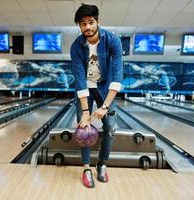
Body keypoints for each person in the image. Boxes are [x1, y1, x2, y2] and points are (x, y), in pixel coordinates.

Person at [70, 4, 123, 188]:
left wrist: (105, 107)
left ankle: (102, 163)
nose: (88, 27)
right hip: (85, 90)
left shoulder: (113, 41)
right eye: (83, 24)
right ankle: (86, 168)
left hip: (105, 89)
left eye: (91, 22)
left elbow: (117, 76)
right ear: (79, 26)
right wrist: (86, 111)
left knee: (109, 127)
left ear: (98, 21)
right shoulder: (76, 47)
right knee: (83, 128)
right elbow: (79, 78)